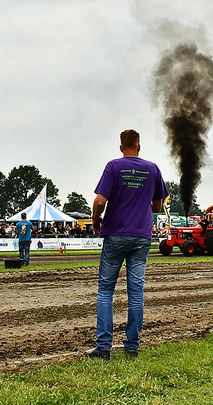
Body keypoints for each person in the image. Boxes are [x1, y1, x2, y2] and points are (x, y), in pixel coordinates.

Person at [85, 129, 169, 362]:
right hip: (141, 236)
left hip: (115, 235)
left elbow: (100, 200)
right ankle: (132, 347)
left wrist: (95, 219)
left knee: (105, 291)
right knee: (136, 293)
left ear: (121, 147)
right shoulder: (153, 169)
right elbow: (156, 206)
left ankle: (103, 348)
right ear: (139, 146)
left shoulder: (113, 166)